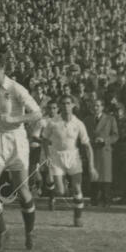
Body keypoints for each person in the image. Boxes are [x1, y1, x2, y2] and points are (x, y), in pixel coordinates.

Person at [0, 52, 42, 252]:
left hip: (16, 141)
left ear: (3, 70)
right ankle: (2, 232)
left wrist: (13, 119)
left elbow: (37, 113)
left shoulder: (16, 88)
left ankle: (29, 231)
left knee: (22, 192)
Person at [41, 96, 96, 227]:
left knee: (77, 189)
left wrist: (92, 166)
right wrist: (47, 156)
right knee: (60, 192)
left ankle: (78, 217)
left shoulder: (78, 123)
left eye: (68, 103)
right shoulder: (53, 122)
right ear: (60, 106)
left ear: (73, 106)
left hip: (73, 157)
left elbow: (87, 146)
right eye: (63, 103)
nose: (66, 106)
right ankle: (60, 184)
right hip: (56, 157)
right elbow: (44, 139)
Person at [85, 99, 119, 207]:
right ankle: (94, 199)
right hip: (92, 149)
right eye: (94, 106)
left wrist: (105, 140)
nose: (95, 108)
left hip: (105, 150)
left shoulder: (110, 119)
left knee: (105, 175)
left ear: (102, 107)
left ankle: (106, 200)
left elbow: (115, 135)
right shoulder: (87, 120)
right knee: (93, 174)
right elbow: (83, 135)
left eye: (98, 106)